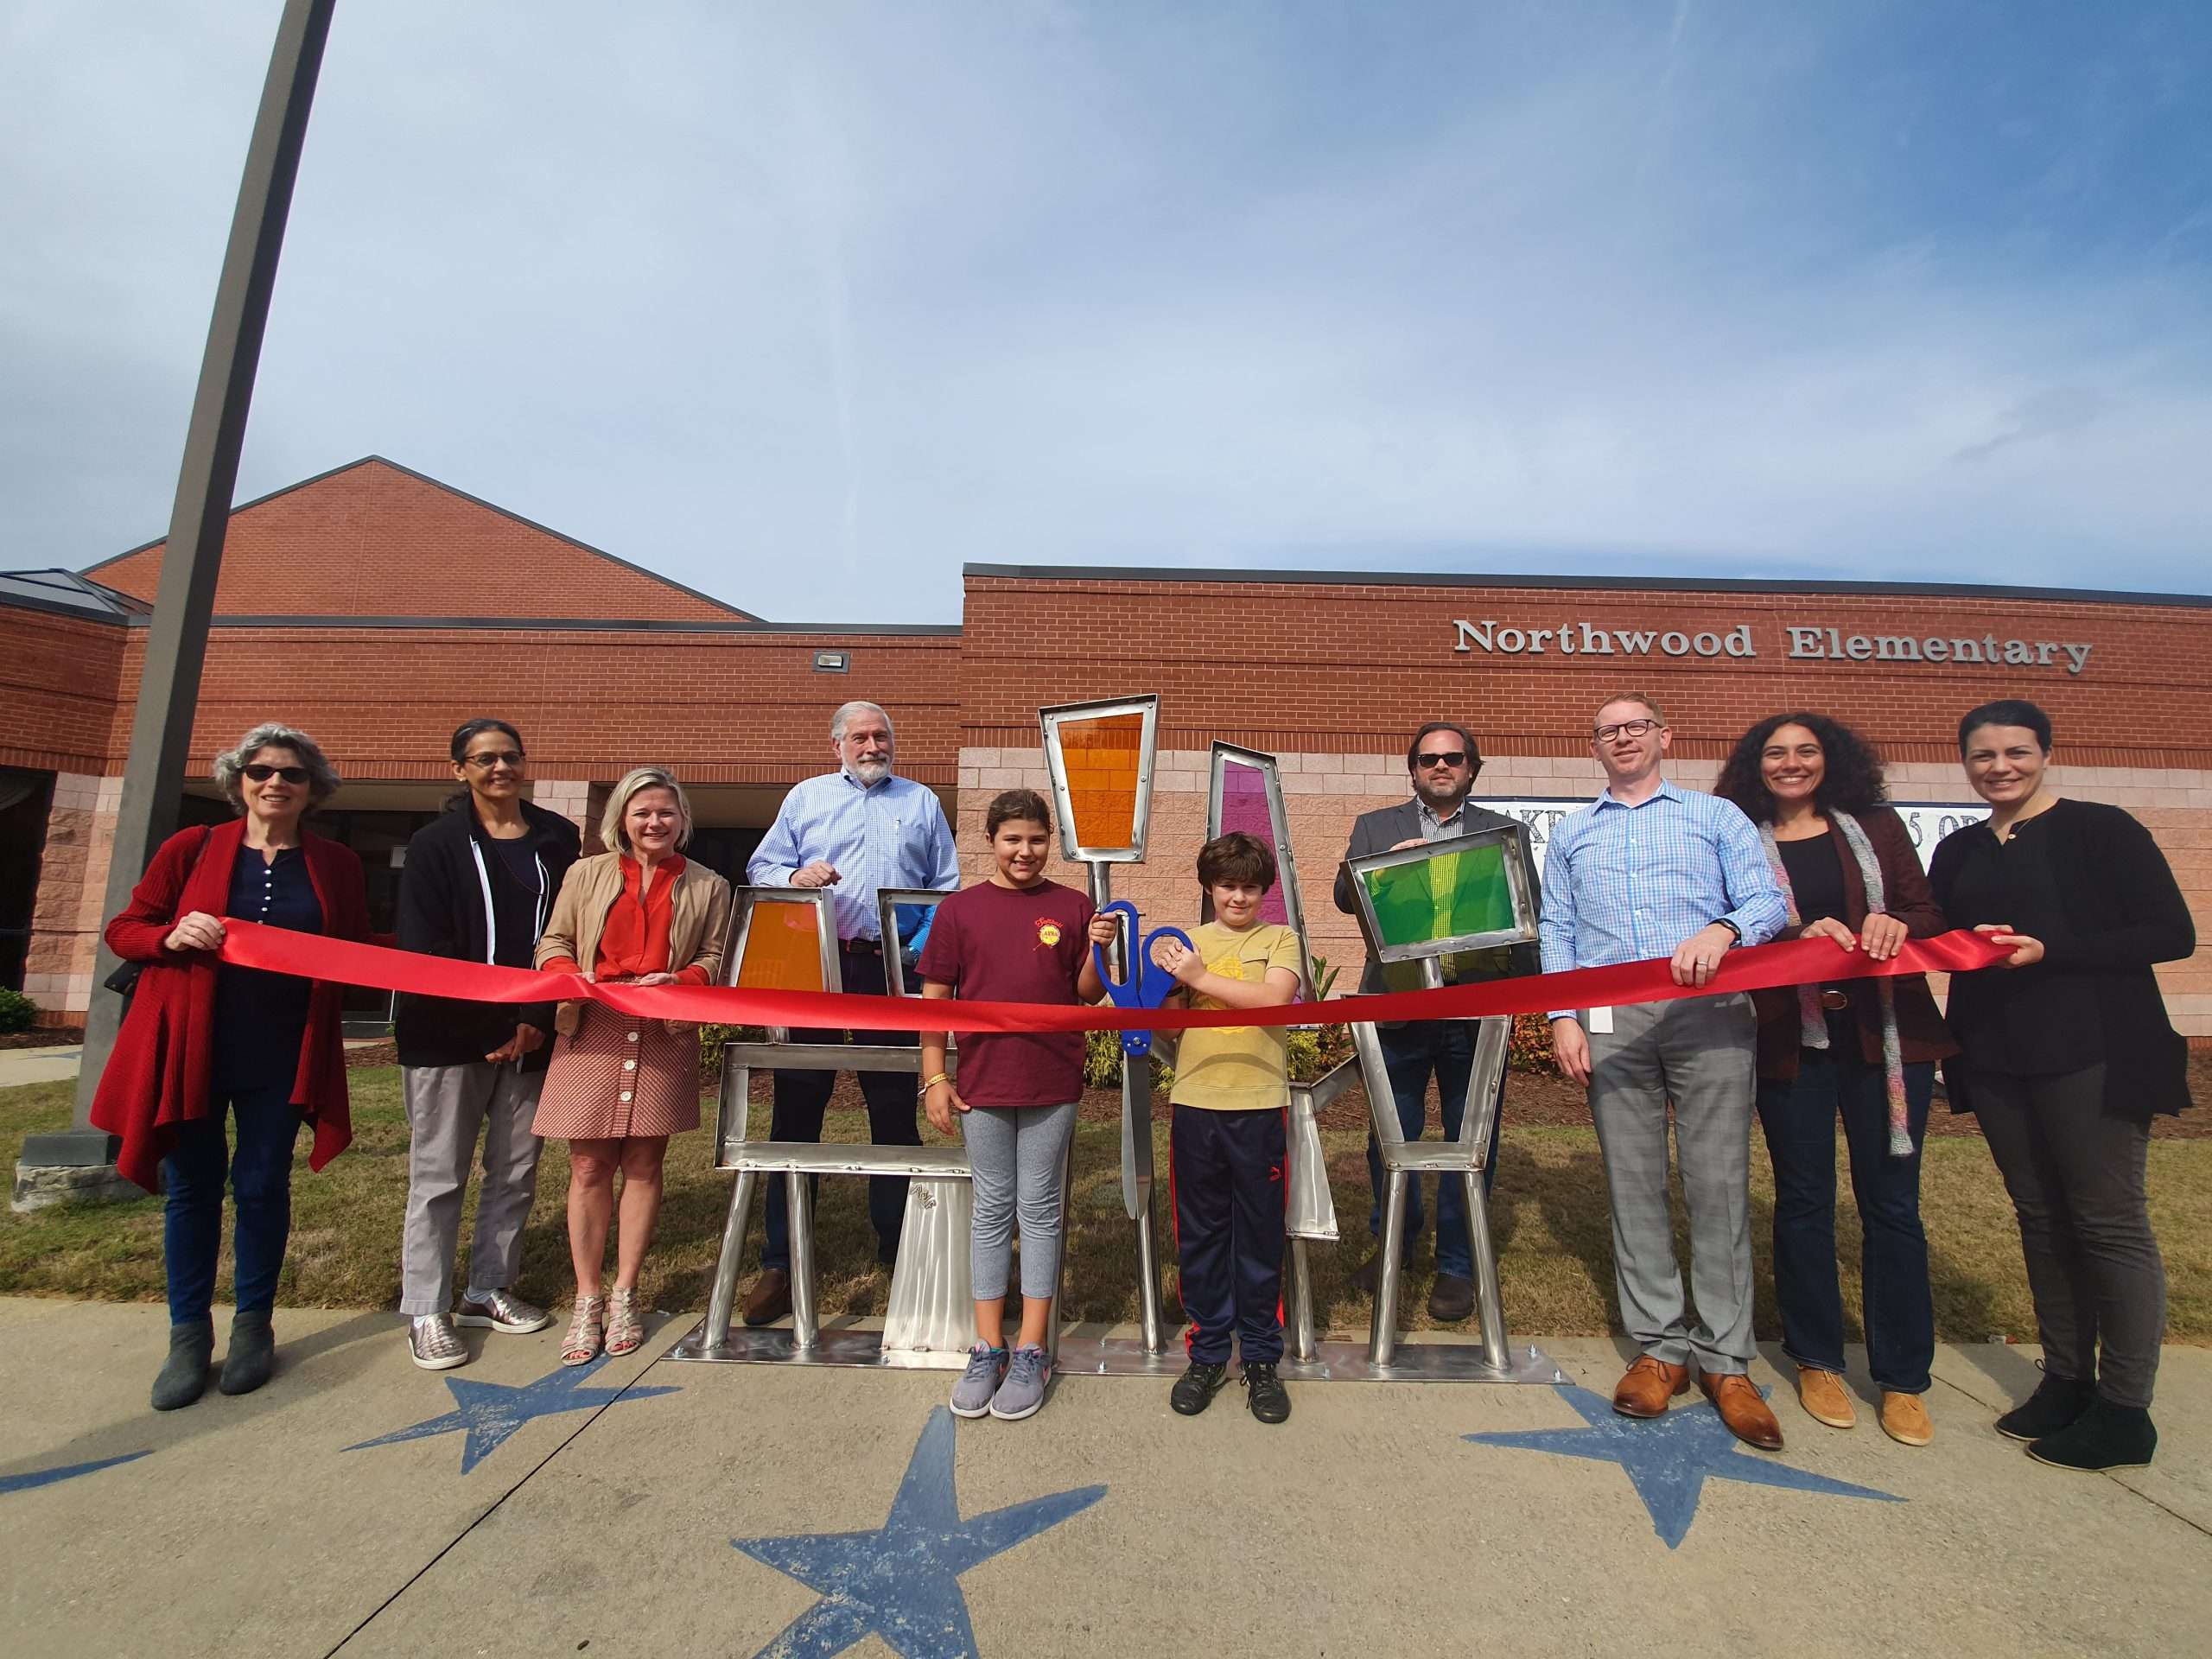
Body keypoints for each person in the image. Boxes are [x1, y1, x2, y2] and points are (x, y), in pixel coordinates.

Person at [1929, 699, 2193, 1473]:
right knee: (2041, 1219)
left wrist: (2053, 950)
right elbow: (1940, 940)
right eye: (1983, 756)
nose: (1999, 767)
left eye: (2015, 752)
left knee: (2108, 1222)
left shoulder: (2101, 829)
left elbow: (2169, 934)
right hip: (1997, 1054)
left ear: (2045, 752)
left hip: (2097, 1049)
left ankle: (2124, 1408)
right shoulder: (1960, 851)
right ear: (1966, 764)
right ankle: (2067, 1378)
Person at [92, 723, 372, 1410]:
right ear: (238, 780)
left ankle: (254, 1326)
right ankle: (188, 1335)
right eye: (260, 770)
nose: (275, 782)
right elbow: (125, 928)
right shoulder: (193, 848)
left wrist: (467, 966)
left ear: (313, 790)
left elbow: (362, 948)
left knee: (261, 1186)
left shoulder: (335, 863)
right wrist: (169, 934)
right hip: (192, 1047)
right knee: (192, 1189)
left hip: (282, 1048)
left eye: (292, 774)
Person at [1541, 693, 1789, 1449]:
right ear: (1595, 747)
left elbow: (1767, 903)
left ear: (1663, 737)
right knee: (1633, 1181)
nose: (1622, 737)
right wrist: (1561, 1016)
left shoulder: (1716, 818)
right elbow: (1558, 924)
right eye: (1607, 729)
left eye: (1634, 726)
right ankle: (1659, 1350)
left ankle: (1726, 1360)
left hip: (1710, 1014)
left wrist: (1724, 928)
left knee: (1716, 1183)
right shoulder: (1573, 834)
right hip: (1613, 1019)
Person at [1715, 713, 1955, 1447]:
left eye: (1805, 751)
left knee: (1891, 1207)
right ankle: (1816, 1357)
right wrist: (1794, 936)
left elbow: (1924, 908)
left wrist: (1896, 926)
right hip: (1794, 1042)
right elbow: (1734, 921)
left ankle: (1902, 1378)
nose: (1790, 764)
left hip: (1885, 1043)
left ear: (1830, 759)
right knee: (1805, 1200)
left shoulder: (1875, 827)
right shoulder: (1740, 834)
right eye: (1775, 753)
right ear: (1755, 766)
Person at [742, 699, 958, 1325]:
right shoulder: (804, 798)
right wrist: (796, 873)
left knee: (893, 1110)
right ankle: (781, 1260)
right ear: (835, 743)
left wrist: (917, 952)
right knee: (795, 1109)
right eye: (860, 737)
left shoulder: (920, 802)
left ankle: (898, 1251)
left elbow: (945, 886)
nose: (872, 746)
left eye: (882, 736)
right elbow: (760, 867)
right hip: (815, 965)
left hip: (890, 969)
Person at [916, 789, 1116, 1423]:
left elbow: (1084, 994)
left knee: (1041, 1208)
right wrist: (934, 1077)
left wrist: (1098, 948)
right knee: (992, 1209)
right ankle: (987, 1345)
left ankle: (1031, 1347)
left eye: (1035, 839)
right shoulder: (960, 911)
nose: (1024, 851)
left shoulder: (1073, 904)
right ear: (990, 841)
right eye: (1011, 840)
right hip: (980, 1081)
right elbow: (936, 1000)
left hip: (1052, 1079)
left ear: (1049, 841)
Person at [391, 719, 582, 1370]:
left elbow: (566, 932)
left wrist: (532, 1018)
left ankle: (487, 1288)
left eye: (509, 757)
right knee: (439, 1175)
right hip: (446, 1035)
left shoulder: (558, 838)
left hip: (532, 1033)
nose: (500, 768)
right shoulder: (434, 845)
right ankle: (425, 1308)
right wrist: (493, 1026)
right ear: (459, 770)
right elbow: (426, 948)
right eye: (484, 759)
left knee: (516, 1170)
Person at [1332, 721, 1537, 1323]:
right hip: (1398, 1007)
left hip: (1474, 1011)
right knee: (1389, 1139)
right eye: (1428, 760)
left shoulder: (1504, 833)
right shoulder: (1377, 827)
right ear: (1414, 770)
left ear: (1471, 768)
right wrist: (1376, 867)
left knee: (1470, 1139)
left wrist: (1522, 1004)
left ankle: (1457, 1265)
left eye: (1452, 758)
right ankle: (1395, 1245)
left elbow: (1529, 914)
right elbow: (1347, 896)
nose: (1440, 767)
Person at [534, 766, 731, 1367]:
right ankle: (587, 1299)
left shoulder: (708, 884)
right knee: (590, 1164)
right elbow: (554, 942)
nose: (654, 822)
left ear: (682, 820)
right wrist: (572, 978)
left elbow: (714, 956)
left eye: (666, 813)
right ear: (621, 817)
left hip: (662, 1029)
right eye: (643, 812)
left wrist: (683, 979)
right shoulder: (584, 873)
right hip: (592, 1027)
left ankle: (625, 1294)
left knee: (645, 1162)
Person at [1156, 832, 1303, 1425]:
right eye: (1227, 886)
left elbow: (1274, 1001)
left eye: (1249, 887)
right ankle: (1210, 1352)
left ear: (1264, 890)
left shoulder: (1280, 939)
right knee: (1202, 1235)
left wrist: (1199, 978)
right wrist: (1158, 987)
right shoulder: (1184, 944)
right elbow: (1166, 1025)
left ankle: (1262, 1358)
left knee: (1260, 1236)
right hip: (1196, 1103)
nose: (1238, 897)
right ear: (1209, 888)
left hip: (1260, 1104)